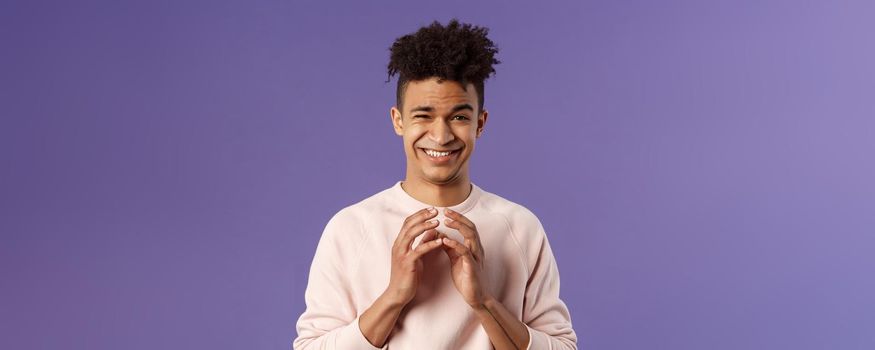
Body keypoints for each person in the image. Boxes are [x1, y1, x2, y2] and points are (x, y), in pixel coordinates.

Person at [293, 18, 577, 350]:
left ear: (480, 123)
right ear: (398, 121)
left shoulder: (520, 227)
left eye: (458, 117)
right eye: (423, 115)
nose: (441, 136)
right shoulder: (350, 228)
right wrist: (393, 297)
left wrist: (484, 301)